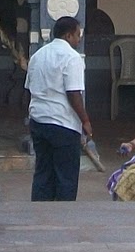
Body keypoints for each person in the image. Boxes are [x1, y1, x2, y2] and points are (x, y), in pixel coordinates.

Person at [24, 15, 91, 202]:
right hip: (64, 124)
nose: (79, 39)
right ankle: (63, 217)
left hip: (38, 121)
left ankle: (40, 215)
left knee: (43, 173)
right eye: (78, 35)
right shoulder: (72, 58)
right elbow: (74, 93)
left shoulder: (37, 56)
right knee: (66, 177)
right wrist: (85, 120)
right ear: (69, 36)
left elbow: (29, 89)